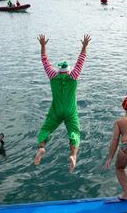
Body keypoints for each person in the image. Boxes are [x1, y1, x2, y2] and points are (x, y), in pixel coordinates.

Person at [34, 34, 91, 172]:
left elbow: (45, 61)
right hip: (70, 111)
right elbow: (81, 61)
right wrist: (84, 46)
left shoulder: (53, 76)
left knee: (45, 130)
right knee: (74, 132)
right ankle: (73, 156)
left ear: (59, 71)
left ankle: (42, 148)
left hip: (56, 110)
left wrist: (43, 45)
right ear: (69, 71)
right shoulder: (73, 77)